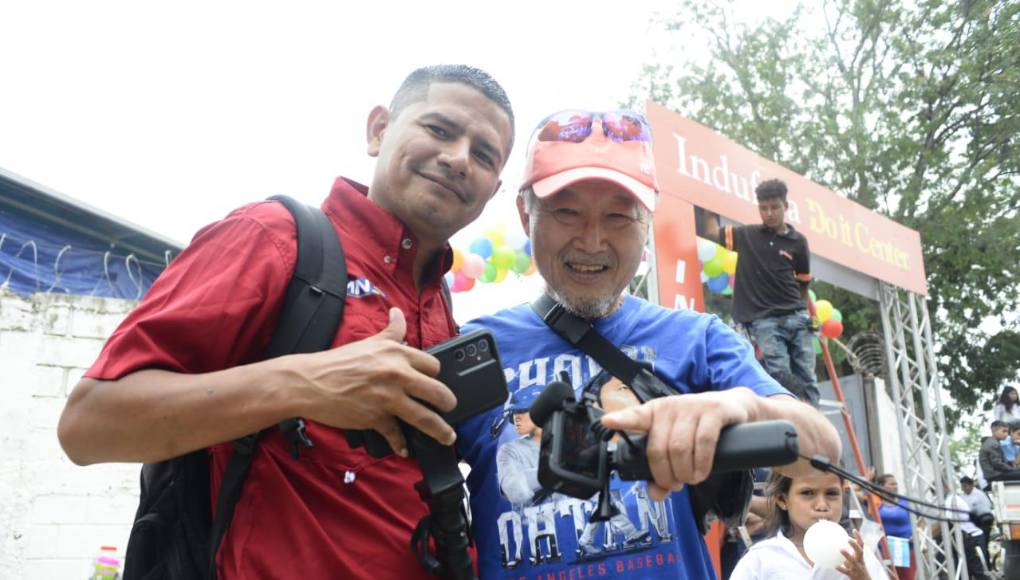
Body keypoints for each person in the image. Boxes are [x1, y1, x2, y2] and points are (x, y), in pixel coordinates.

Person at [56, 65, 516, 579]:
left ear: (494, 189)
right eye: (439, 129)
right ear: (379, 130)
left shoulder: (438, 302)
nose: (457, 159)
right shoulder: (275, 239)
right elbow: (88, 426)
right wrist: (302, 384)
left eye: (483, 155)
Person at [456, 108, 842, 578]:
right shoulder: (473, 348)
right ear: (525, 214)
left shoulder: (698, 338)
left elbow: (822, 451)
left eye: (619, 215)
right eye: (567, 211)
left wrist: (741, 405)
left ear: (647, 221)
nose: (592, 240)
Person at [707, 179, 820, 407]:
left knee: (807, 377)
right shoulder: (747, 235)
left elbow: (804, 282)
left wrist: (810, 315)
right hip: (765, 321)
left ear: (785, 207)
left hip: (798, 317)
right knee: (779, 374)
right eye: (763, 208)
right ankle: (790, 424)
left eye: (775, 207)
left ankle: (815, 428)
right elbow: (710, 233)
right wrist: (706, 199)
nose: (769, 213)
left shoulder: (798, 242)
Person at [728, 469, 887, 579]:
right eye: (807, 493)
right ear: (782, 500)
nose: (822, 505)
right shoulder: (760, 559)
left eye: (831, 493)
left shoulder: (859, 556)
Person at [873, 473, 915, 580]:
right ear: (881, 487)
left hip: (906, 549)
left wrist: (917, 534)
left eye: (896, 484)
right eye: (891, 484)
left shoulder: (905, 502)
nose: (895, 486)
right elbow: (854, 490)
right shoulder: (876, 502)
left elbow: (920, 520)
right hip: (885, 550)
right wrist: (868, 481)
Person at [959, 476, 995, 549]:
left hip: (983, 521)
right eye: (962, 487)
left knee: (983, 544)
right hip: (970, 524)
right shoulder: (962, 496)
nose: (963, 489)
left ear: (971, 485)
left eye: (965, 486)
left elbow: (987, 506)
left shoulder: (979, 494)